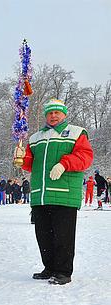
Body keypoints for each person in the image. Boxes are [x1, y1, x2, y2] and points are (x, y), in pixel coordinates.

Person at [18, 99, 93, 285]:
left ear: (64, 114)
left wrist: (64, 163)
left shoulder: (76, 133)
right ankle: (49, 267)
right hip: (40, 194)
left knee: (63, 236)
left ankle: (63, 271)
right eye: (50, 113)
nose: (53, 116)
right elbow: (29, 164)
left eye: (56, 113)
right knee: (43, 235)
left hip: (64, 193)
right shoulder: (35, 137)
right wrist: (21, 157)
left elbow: (85, 157)